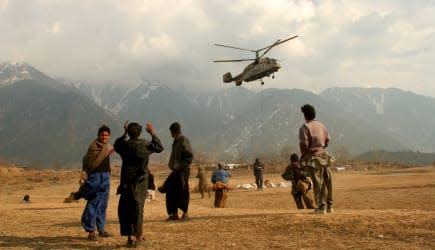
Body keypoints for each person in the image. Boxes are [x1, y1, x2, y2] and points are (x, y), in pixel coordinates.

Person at [114, 121, 164, 247]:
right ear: (141, 132)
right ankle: (139, 238)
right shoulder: (145, 145)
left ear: (129, 132)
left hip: (126, 181)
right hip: (140, 182)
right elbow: (159, 147)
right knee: (138, 208)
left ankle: (130, 238)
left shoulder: (125, 146)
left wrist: (124, 134)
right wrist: (152, 133)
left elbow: (116, 145)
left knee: (126, 208)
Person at [70, 125, 114, 240]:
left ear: (109, 136)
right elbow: (88, 163)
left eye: (106, 135)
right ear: (99, 135)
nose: (104, 137)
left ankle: (101, 229)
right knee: (93, 202)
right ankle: (91, 231)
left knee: (103, 204)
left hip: (105, 177)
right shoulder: (93, 147)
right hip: (95, 176)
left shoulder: (108, 147)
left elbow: (117, 147)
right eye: (102, 135)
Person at [299, 104, 335, 214]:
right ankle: (330, 206)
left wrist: (305, 153)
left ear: (305, 115)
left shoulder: (304, 128)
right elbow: (327, 140)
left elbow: (304, 144)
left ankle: (321, 207)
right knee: (327, 181)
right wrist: (321, 148)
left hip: (313, 158)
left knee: (318, 182)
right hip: (324, 156)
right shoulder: (321, 125)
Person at [159, 122, 194, 221]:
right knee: (170, 191)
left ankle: (185, 213)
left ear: (173, 131)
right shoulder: (176, 141)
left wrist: (180, 166)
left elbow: (190, 156)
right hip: (176, 171)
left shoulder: (183, 140)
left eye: (170, 131)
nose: (170, 133)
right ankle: (173, 214)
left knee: (182, 191)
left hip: (183, 171)